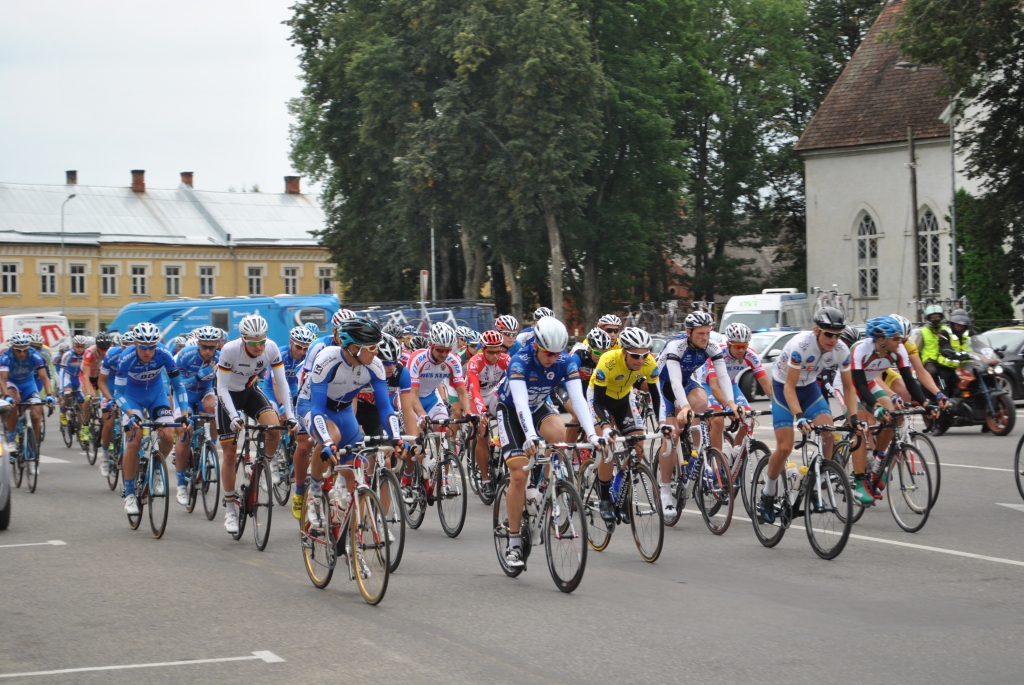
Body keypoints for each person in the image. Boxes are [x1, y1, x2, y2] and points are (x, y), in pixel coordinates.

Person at [495, 316, 600, 568]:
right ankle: (514, 543)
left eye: (557, 353)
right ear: (536, 346)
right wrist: (530, 436)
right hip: (511, 410)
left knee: (560, 434)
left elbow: (578, 401)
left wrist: (594, 435)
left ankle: (544, 486)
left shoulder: (565, 361)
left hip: (539, 405)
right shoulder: (520, 361)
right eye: (548, 353)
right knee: (519, 475)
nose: (553, 358)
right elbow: (520, 404)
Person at [757, 307, 859, 523]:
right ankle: (768, 492)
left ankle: (818, 481)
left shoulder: (841, 350)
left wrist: (854, 417)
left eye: (837, 335)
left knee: (829, 433)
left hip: (810, 387)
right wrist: (800, 416)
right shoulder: (800, 346)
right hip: (784, 387)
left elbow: (850, 388)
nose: (833, 339)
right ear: (816, 331)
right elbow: (789, 389)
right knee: (785, 447)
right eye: (828, 334)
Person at [299, 318, 402, 527]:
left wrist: (397, 438)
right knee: (332, 437)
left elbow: (385, 408)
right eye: (372, 347)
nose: (377, 352)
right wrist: (327, 442)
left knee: (357, 464)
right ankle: (315, 494)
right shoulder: (327, 359)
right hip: (312, 406)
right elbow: (318, 409)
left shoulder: (374, 366)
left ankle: (345, 522)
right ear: (354, 348)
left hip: (344, 410)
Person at [215, 315, 296, 534]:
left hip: (250, 393)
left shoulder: (270, 348)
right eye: (253, 342)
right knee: (230, 454)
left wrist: (290, 415)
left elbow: (282, 382)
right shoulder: (230, 350)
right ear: (243, 340)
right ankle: (230, 508)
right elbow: (221, 388)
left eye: (262, 341)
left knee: (274, 431)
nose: (259, 346)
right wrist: (233, 417)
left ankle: (263, 467)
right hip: (228, 397)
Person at [656, 311, 738, 512]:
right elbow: (674, 380)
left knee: (704, 406)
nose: (705, 338)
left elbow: (723, 377)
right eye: (700, 333)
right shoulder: (676, 346)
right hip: (664, 384)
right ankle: (665, 490)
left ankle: (697, 454)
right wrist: (683, 407)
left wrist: (731, 404)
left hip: (686, 382)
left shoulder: (711, 346)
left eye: (708, 333)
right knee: (671, 435)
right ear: (689, 332)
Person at [849, 316, 935, 503]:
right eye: (895, 339)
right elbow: (859, 386)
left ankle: (877, 463)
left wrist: (926, 403)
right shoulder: (860, 349)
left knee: (893, 416)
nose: (900, 342)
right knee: (861, 425)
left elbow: (910, 381)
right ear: (881, 339)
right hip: (849, 384)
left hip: (869, 382)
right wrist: (876, 407)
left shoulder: (899, 350)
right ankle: (859, 482)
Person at [113, 323, 189, 516]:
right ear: (136, 344)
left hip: (156, 394)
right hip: (132, 397)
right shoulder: (126, 358)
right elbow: (117, 393)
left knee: (168, 434)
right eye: (143, 347)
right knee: (134, 439)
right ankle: (129, 494)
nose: (148, 352)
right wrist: (129, 414)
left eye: (151, 347)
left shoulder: (164, 354)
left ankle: (157, 466)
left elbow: (179, 387)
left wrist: (185, 412)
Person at [589, 327, 665, 519]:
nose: (641, 360)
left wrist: (662, 422)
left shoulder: (649, 362)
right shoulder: (608, 361)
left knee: (638, 448)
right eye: (635, 356)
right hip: (600, 399)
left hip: (624, 398)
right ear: (624, 351)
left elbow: (656, 396)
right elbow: (597, 401)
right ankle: (605, 498)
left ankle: (619, 486)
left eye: (644, 355)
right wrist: (606, 427)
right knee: (606, 447)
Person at [402, 323, 471, 487]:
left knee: (444, 432)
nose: (444, 354)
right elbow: (412, 394)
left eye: (447, 350)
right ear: (431, 345)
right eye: (440, 350)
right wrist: (421, 414)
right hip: (411, 399)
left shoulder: (452, 361)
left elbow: (462, 392)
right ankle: (407, 475)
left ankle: (442, 479)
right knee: (416, 440)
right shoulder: (418, 359)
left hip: (432, 398)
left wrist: (469, 413)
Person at [171, 326, 221, 506]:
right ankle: (181, 485)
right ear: (198, 344)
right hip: (184, 395)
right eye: (204, 347)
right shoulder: (185, 355)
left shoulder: (220, 357)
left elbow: (223, 385)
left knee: (214, 410)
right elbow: (176, 383)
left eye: (212, 347)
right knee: (184, 434)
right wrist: (197, 378)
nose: (208, 351)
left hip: (204, 393)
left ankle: (209, 448)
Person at [465, 330, 511, 500]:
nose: (495, 355)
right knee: (482, 434)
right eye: (491, 352)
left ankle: (499, 444)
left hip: (491, 394)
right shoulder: (474, 362)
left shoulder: (506, 360)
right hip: (474, 397)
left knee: (507, 414)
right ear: (482, 350)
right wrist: (481, 411)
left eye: (498, 351)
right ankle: (485, 480)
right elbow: (474, 390)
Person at [0, 333, 54, 460]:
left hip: (28, 383)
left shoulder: (34, 354)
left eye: (24, 350)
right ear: (13, 348)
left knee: (36, 414)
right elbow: (2, 380)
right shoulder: (6, 356)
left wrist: (49, 395)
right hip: (11, 383)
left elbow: (44, 377)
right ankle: (12, 439)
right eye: (18, 351)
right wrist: (6, 396)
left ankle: (33, 447)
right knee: (14, 401)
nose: (22, 354)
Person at [97, 332, 130, 475]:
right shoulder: (111, 355)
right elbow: (101, 381)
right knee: (109, 424)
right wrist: (110, 398)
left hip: (126, 388)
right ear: (122, 347)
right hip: (109, 387)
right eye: (127, 347)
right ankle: (104, 456)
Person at [58, 335, 91, 444]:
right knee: (68, 394)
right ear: (74, 346)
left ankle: (81, 428)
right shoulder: (67, 355)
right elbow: (62, 372)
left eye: (82, 347)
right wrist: (62, 388)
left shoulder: (86, 354)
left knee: (82, 405)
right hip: (68, 376)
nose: (80, 349)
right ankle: (63, 410)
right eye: (77, 346)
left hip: (79, 378)